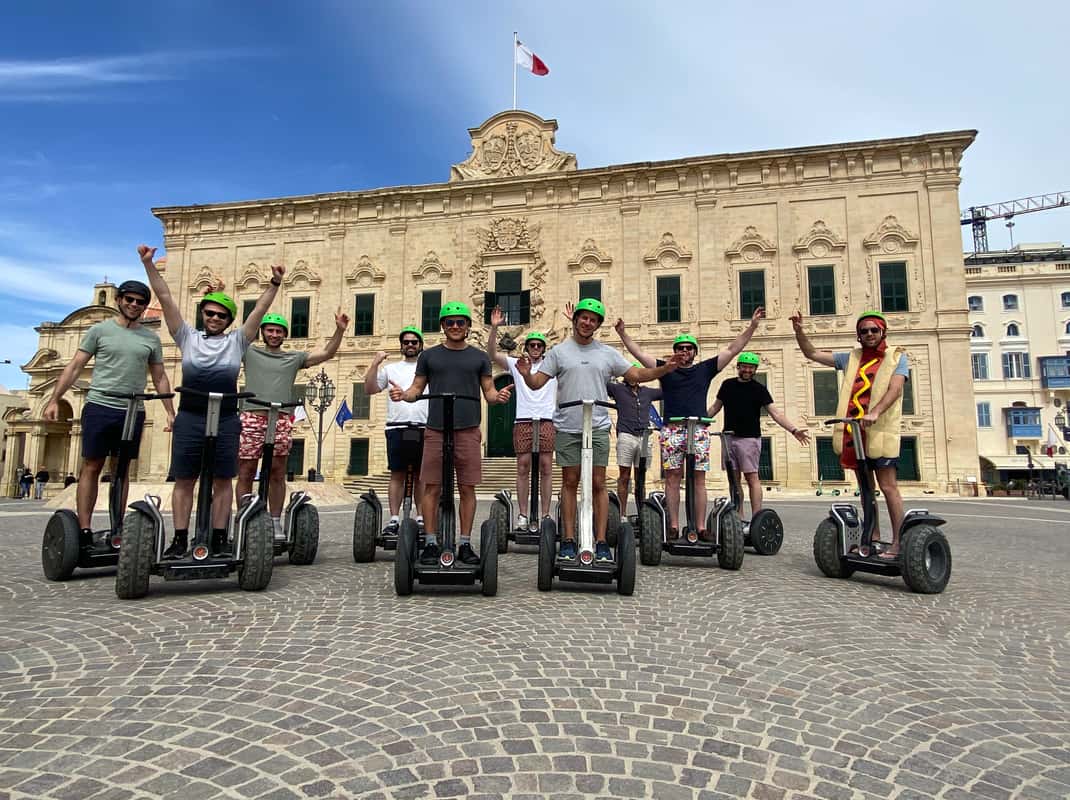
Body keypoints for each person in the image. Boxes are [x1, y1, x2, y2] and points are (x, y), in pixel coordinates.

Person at [138, 243, 284, 558]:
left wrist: (274, 284)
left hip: (228, 417)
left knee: (222, 481)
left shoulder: (238, 341)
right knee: (185, 480)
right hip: (191, 415)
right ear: (203, 313)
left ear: (230, 319)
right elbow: (164, 297)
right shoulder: (186, 336)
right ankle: (179, 538)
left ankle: (219, 537)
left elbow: (258, 310)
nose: (215, 318)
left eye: (221, 315)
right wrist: (149, 263)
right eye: (210, 313)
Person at [517, 298, 683, 562]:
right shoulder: (559, 352)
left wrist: (664, 369)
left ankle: (602, 540)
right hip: (568, 427)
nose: (587, 322)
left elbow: (636, 375)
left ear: (597, 325)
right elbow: (537, 383)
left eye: (593, 320)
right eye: (584, 317)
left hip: (597, 426)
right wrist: (526, 374)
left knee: (597, 484)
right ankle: (569, 540)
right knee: (570, 483)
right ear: (575, 320)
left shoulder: (607, 353)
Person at [616, 307, 763, 540]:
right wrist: (623, 334)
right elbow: (639, 353)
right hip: (672, 429)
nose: (684, 351)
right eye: (680, 348)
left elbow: (733, 349)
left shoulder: (704, 369)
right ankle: (673, 525)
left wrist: (753, 326)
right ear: (674, 352)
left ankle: (701, 527)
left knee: (699, 478)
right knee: (673, 477)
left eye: (688, 348)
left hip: (698, 430)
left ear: (695, 352)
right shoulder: (665, 368)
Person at [43, 279, 175, 538]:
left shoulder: (151, 338)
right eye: (130, 300)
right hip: (100, 405)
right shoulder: (99, 331)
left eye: (140, 302)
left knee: (122, 468)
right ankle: (84, 527)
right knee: (92, 465)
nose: (134, 305)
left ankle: (118, 526)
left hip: (132, 409)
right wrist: (54, 399)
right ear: (119, 300)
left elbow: (160, 377)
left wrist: (170, 411)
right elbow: (75, 366)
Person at [389, 302, 513, 566]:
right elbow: (416, 388)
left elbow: (488, 392)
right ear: (443, 326)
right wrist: (404, 396)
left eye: (460, 322)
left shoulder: (479, 357)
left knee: (467, 489)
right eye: (450, 322)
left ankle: (465, 543)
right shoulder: (429, 356)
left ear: (468, 327)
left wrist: (498, 397)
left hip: (468, 430)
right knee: (432, 487)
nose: (455, 326)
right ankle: (432, 542)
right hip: (435, 429)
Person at [791, 309, 909, 557]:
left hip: (880, 431)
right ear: (858, 335)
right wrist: (799, 331)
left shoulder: (897, 357)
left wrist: (875, 412)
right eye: (864, 331)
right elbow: (811, 353)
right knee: (866, 487)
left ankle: (899, 542)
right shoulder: (850, 358)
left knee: (888, 487)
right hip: (854, 432)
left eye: (874, 330)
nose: (869, 334)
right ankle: (873, 536)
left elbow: (895, 389)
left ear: (882, 332)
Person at [236, 310, 349, 538]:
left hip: (280, 418)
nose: (275, 334)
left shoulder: (293, 358)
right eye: (270, 330)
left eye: (279, 331)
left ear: (285, 335)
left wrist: (340, 330)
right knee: (246, 471)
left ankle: (275, 522)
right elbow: (223, 338)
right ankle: (244, 518)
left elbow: (327, 353)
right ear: (262, 332)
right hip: (251, 416)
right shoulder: (248, 352)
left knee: (278, 472)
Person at [707, 351, 810, 520]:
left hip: (749, 439)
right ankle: (738, 516)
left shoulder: (759, 389)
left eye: (751, 367)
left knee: (751, 477)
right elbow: (714, 408)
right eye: (744, 367)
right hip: (728, 437)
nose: (747, 370)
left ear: (755, 370)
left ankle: (757, 517)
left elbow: (775, 413)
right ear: (738, 367)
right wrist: (699, 422)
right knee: (733, 479)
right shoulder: (727, 385)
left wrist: (793, 430)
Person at [487, 307, 557, 529]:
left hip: (546, 420)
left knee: (546, 468)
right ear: (526, 348)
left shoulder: (553, 367)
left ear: (544, 349)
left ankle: (545, 514)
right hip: (523, 420)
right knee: (522, 467)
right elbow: (491, 354)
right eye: (532, 345)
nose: (535, 348)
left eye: (539, 345)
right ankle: (523, 515)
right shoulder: (517, 365)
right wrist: (495, 327)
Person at [364, 325, 428, 536]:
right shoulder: (391, 369)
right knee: (397, 474)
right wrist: (375, 362)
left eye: (414, 342)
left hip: (423, 426)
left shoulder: (428, 369)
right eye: (406, 342)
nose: (410, 345)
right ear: (401, 345)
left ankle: (420, 518)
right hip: (396, 426)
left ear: (420, 345)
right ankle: (393, 519)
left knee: (421, 476)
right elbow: (370, 388)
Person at [606, 363, 662, 514]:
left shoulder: (647, 392)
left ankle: (642, 513)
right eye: (629, 374)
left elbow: (667, 391)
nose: (632, 377)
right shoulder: (618, 389)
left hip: (644, 437)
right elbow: (601, 380)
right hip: (626, 435)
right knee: (624, 476)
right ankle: (622, 513)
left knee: (641, 478)